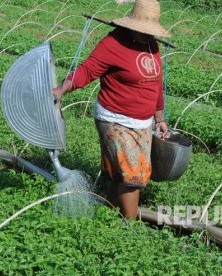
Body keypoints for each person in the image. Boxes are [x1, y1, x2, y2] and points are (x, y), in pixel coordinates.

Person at [53, 0, 171, 219]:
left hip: (142, 122)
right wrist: (61, 89)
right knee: (133, 179)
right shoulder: (113, 43)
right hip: (115, 120)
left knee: (120, 175)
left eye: (151, 32)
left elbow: (156, 82)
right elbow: (87, 71)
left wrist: (159, 116)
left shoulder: (150, 45)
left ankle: (108, 218)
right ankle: (130, 228)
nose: (149, 36)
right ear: (132, 26)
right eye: (144, 31)